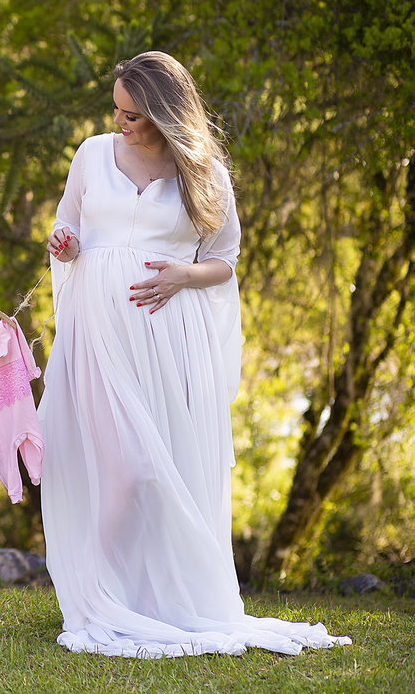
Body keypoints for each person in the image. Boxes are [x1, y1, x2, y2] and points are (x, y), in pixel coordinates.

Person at [39, 50, 350, 657]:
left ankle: (140, 599)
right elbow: (68, 229)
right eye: (116, 110)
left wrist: (183, 274)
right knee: (125, 473)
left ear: (162, 113)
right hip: (97, 337)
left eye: (132, 113)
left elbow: (225, 260)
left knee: (158, 473)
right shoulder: (91, 154)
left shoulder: (203, 174)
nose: (120, 121)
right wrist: (65, 243)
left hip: (162, 344)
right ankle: (96, 596)